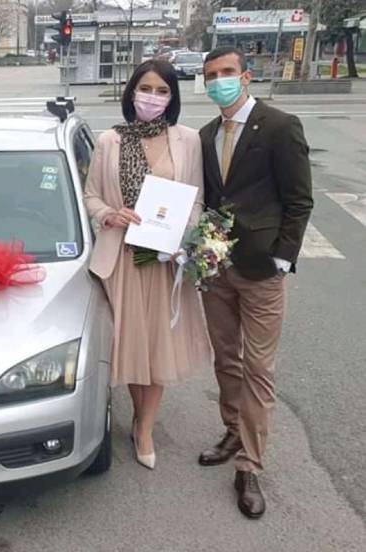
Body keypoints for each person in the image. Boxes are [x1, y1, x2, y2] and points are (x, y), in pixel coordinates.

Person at [197, 47, 313, 519]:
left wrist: (282, 258)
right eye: (211, 75)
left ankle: (249, 464)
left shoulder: (280, 126)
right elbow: (211, 198)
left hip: (262, 270)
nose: (219, 81)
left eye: (227, 72)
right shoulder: (207, 134)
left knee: (258, 368)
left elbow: (299, 200)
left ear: (245, 76)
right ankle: (232, 430)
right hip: (216, 267)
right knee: (226, 359)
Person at [83, 59, 212, 470]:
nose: (152, 98)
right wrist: (109, 214)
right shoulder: (109, 140)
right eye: (146, 89)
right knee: (132, 347)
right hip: (123, 259)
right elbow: (90, 196)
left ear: (172, 97)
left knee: (157, 349)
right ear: (132, 91)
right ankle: (140, 415)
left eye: (162, 91)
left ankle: (144, 428)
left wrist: (180, 235)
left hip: (163, 261)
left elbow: (196, 199)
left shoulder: (187, 140)